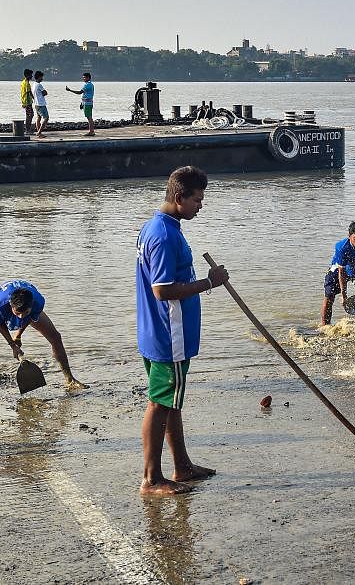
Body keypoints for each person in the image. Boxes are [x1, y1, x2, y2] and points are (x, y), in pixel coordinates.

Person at [135, 166, 228, 495]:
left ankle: (182, 466)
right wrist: (209, 283)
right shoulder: (163, 235)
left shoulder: (160, 227)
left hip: (160, 332)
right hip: (168, 334)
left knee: (170, 400)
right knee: (159, 403)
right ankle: (151, 479)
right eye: (197, 200)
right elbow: (162, 290)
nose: (201, 206)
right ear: (179, 198)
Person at [0, 280, 85, 400]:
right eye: (17, 313)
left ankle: (69, 379)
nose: (21, 317)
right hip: (2, 303)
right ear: (11, 306)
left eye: (25, 312)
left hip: (27, 304)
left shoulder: (38, 302)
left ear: (31, 306)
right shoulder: (1, 306)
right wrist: (12, 345)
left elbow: (29, 318)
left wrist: (18, 335)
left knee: (56, 337)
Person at [65, 72, 96, 136]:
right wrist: (82, 103)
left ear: (88, 78)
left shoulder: (87, 85)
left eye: (84, 77)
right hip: (87, 102)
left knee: (89, 117)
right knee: (89, 117)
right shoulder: (89, 84)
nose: (83, 79)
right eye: (83, 77)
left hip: (87, 103)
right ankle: (91, 131)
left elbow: (79, 92)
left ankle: (91, 132)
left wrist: (70, 90)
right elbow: (85, 94)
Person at [31, 70, 49, 138]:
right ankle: (39, 132)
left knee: (38, 118)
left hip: (36, 104)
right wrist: (44, 93)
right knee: (46, 118)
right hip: (41, 104)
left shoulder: (34, 84)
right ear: (39, 77)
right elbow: (45, 93)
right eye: (41, 77)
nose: (42, 78)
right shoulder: (39, 85)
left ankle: (39, 133)